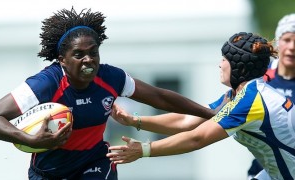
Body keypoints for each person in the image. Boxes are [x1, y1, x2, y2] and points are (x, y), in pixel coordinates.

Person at [0, 7, 216, 180]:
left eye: (93, 52)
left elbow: (160, 97)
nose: (88, 59)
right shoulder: (45, 83)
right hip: (49, 170)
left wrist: (211, 114)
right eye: (79, 54)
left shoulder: (111, 78)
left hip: (95, 162)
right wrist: (29, 138)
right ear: (62, 60)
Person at [107, 32, 295, 180]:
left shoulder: (251, 100)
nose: (219, 65)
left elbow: (198, 138)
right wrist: (134, 121)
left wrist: (144, 150)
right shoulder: (240, 95)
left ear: (241, 68)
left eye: (224, 59)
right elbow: (186, 120)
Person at [247, 13, 295, 179]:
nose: (292, 47)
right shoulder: (259, 74)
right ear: (277, 41)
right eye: (287, 39)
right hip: (261, 167)